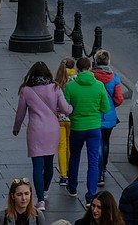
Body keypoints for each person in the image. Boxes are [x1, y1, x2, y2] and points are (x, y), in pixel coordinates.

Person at [13, 61, 72, 212]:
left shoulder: (26, 90)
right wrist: (72, 107)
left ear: (32, 73)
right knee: (49, 163)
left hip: (36, 130)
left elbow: (20, 113)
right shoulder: (55, 87)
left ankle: (40, 201)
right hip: (53, 129)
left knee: (37, 167)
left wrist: (16, 128)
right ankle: (45, 191)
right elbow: (65, 109)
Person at [63, 56, 110, 204]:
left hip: (77, 127)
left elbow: (66, 108)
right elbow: (105, 108)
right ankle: (90, 194)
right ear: (90, 68)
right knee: (93, 161)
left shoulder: (71, 86)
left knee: (75, 157)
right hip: (94, 127)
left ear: (77, 69)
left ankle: (73, 187)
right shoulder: (99, 85)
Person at [91, 50, 124, 189]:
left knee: (97, 144)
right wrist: (111, 107)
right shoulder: (114, 78)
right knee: (105, 142)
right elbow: (119, 99)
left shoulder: (92, 76)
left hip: (94, 116)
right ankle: (103, 168)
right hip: (109, 116)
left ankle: (99, 174)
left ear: (96, 61)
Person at [53, 58, 77, 188]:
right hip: (73, 118)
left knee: (61, 147)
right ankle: (69, 169)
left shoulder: (56, 81)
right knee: (70, 146)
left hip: (59, 118)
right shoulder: (77, 79)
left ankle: (63, 175)